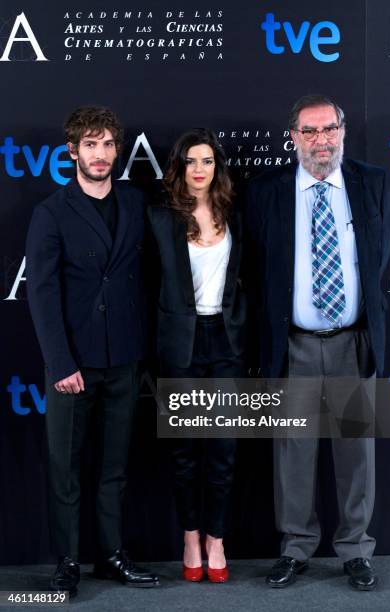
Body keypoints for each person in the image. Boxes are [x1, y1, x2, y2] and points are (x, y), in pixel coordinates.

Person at [246, 94, 390, 591]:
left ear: (343, 132)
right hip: (295, 345)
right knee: (293, 453)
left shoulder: (371, 183)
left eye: (329, 129)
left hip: (352, 343)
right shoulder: (267, 191)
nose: (321, 140)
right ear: (293, 138)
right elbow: (256, 271)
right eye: (309, 131)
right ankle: (296, 548)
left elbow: (377, 261)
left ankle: (355, 549)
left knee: (357, 453)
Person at [26, 106, 159, 596]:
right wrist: (60, 364)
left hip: (123, 358)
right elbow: (41, 293)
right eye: (90, 145)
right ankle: (66, 562)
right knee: (66, 470)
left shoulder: (134, 201)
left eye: (107, 145)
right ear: (72, 151)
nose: (100, 155)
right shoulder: (52, 212)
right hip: (72, 365)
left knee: (114, 468)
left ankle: (111, 555)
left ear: (116, 149)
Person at [148, 128, 246, 582]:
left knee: (223, 451)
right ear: (179, 167)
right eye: (192, 161)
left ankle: (216, 539)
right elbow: (150, 287)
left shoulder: (234, 214)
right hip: (180, 346)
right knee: (185, 451)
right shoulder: (159, 218)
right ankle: (190, 536)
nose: (200, 169)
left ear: (216, 167)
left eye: (207, 161)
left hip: (224, 344)